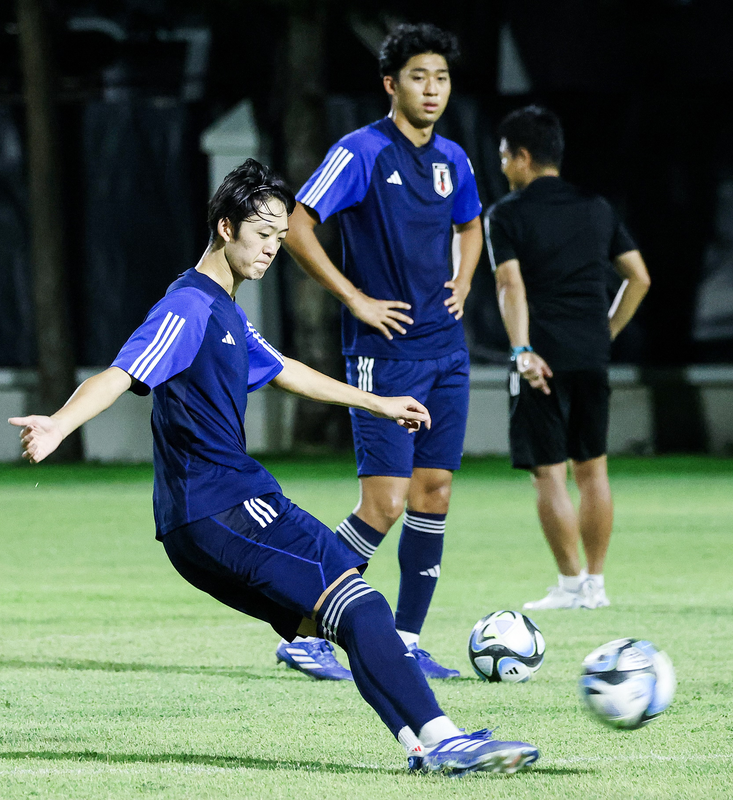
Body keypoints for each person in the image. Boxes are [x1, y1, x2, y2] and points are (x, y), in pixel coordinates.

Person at [8, 160, 539, 774]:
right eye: (262, 234)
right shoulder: (188, 307)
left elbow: (285, 369)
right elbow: (121, 373)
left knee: (345, 618)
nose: (271, 249)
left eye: (281, 238)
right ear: (226, 228)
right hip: (223, 506)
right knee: (363, 605)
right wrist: (59, 423)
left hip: (203, 519)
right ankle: (443, 739)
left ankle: (421, 746)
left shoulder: (226, 311)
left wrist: (378, 402)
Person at [280, 23, 481, 680]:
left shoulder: (454, 159)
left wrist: (465, 279)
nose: (432, 89)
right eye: (419, 77)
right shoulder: (360, 151)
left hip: (446, 351)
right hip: (384, 355)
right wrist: (355, 298)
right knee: (384, 504)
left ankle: (406, 643)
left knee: (434, 492)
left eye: (441, 77)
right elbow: (296, 223)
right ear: (392, 84)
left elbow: (472, 223)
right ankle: (303, 631)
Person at [486, 105, 650, 610]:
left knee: (549, 473)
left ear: (523, 156)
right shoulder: (596, 207)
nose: (502, 168)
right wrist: (608, 331)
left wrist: (521, 350)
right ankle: (595, 585)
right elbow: (639, 277)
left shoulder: (506, 214)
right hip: (590, 355)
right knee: (593, 470)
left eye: (504, 157)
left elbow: (510, 284)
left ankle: (571, 584)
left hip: (541, 359)